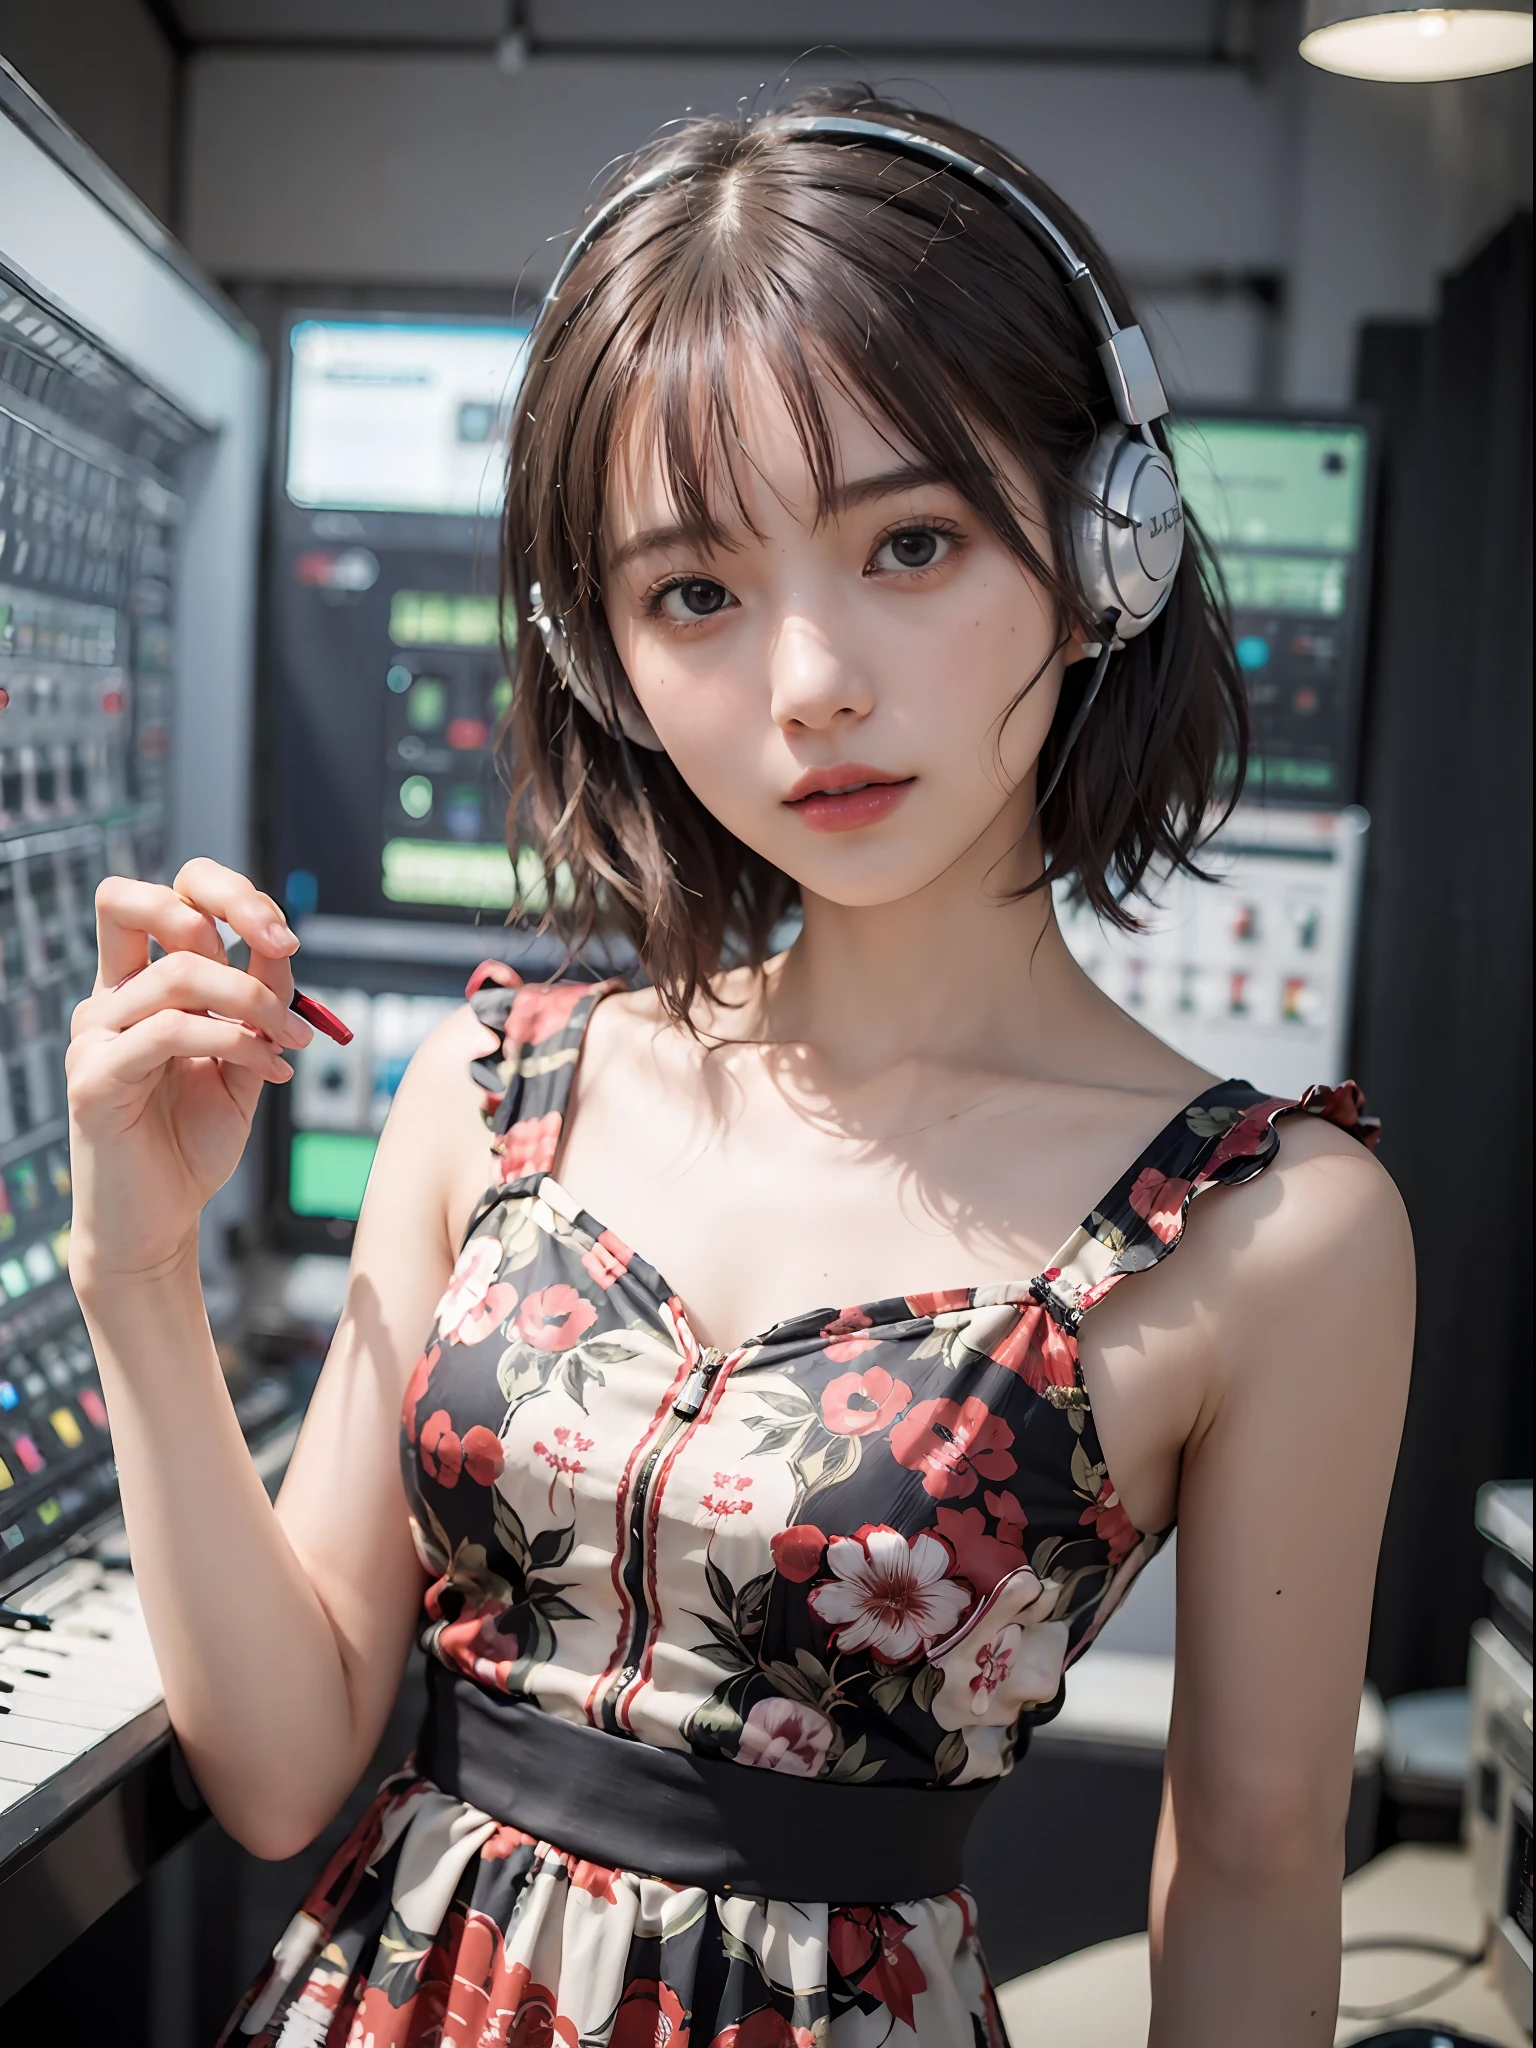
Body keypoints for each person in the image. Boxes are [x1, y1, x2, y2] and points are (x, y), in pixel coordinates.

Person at [65, 87, 1413, 2048]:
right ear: (604, 653)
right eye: (696, 591)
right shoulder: (496, 1090)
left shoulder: (1275, 1232)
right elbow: (279, 1770)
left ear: (1103, 537)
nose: (809, 685)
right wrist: (137, 1274)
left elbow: (1262, 1865)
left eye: (914, 540)